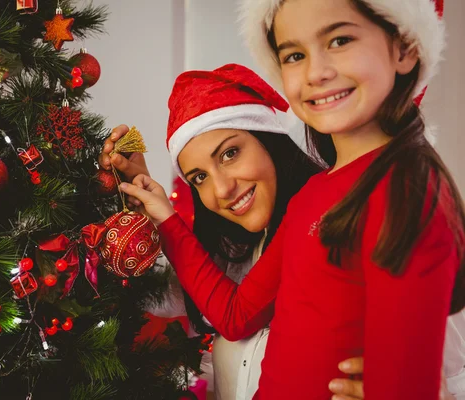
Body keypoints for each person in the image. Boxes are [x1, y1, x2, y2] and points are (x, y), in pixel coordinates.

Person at [118, 0, 465, 398]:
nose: (316, 72)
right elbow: (236, 315)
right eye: (295, 55)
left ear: (403, 48)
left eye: (340, 39)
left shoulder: (407, 190)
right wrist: (163, 215)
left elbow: (411, 381)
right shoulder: (312, 197)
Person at [100, 64, 366, 399]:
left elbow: (444, 360)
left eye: (229, 153)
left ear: (269, 141)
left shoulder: (334, 223)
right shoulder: (234, 251)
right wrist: (138, 212)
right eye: (199, 177)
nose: (222, 189)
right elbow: (161, 295)